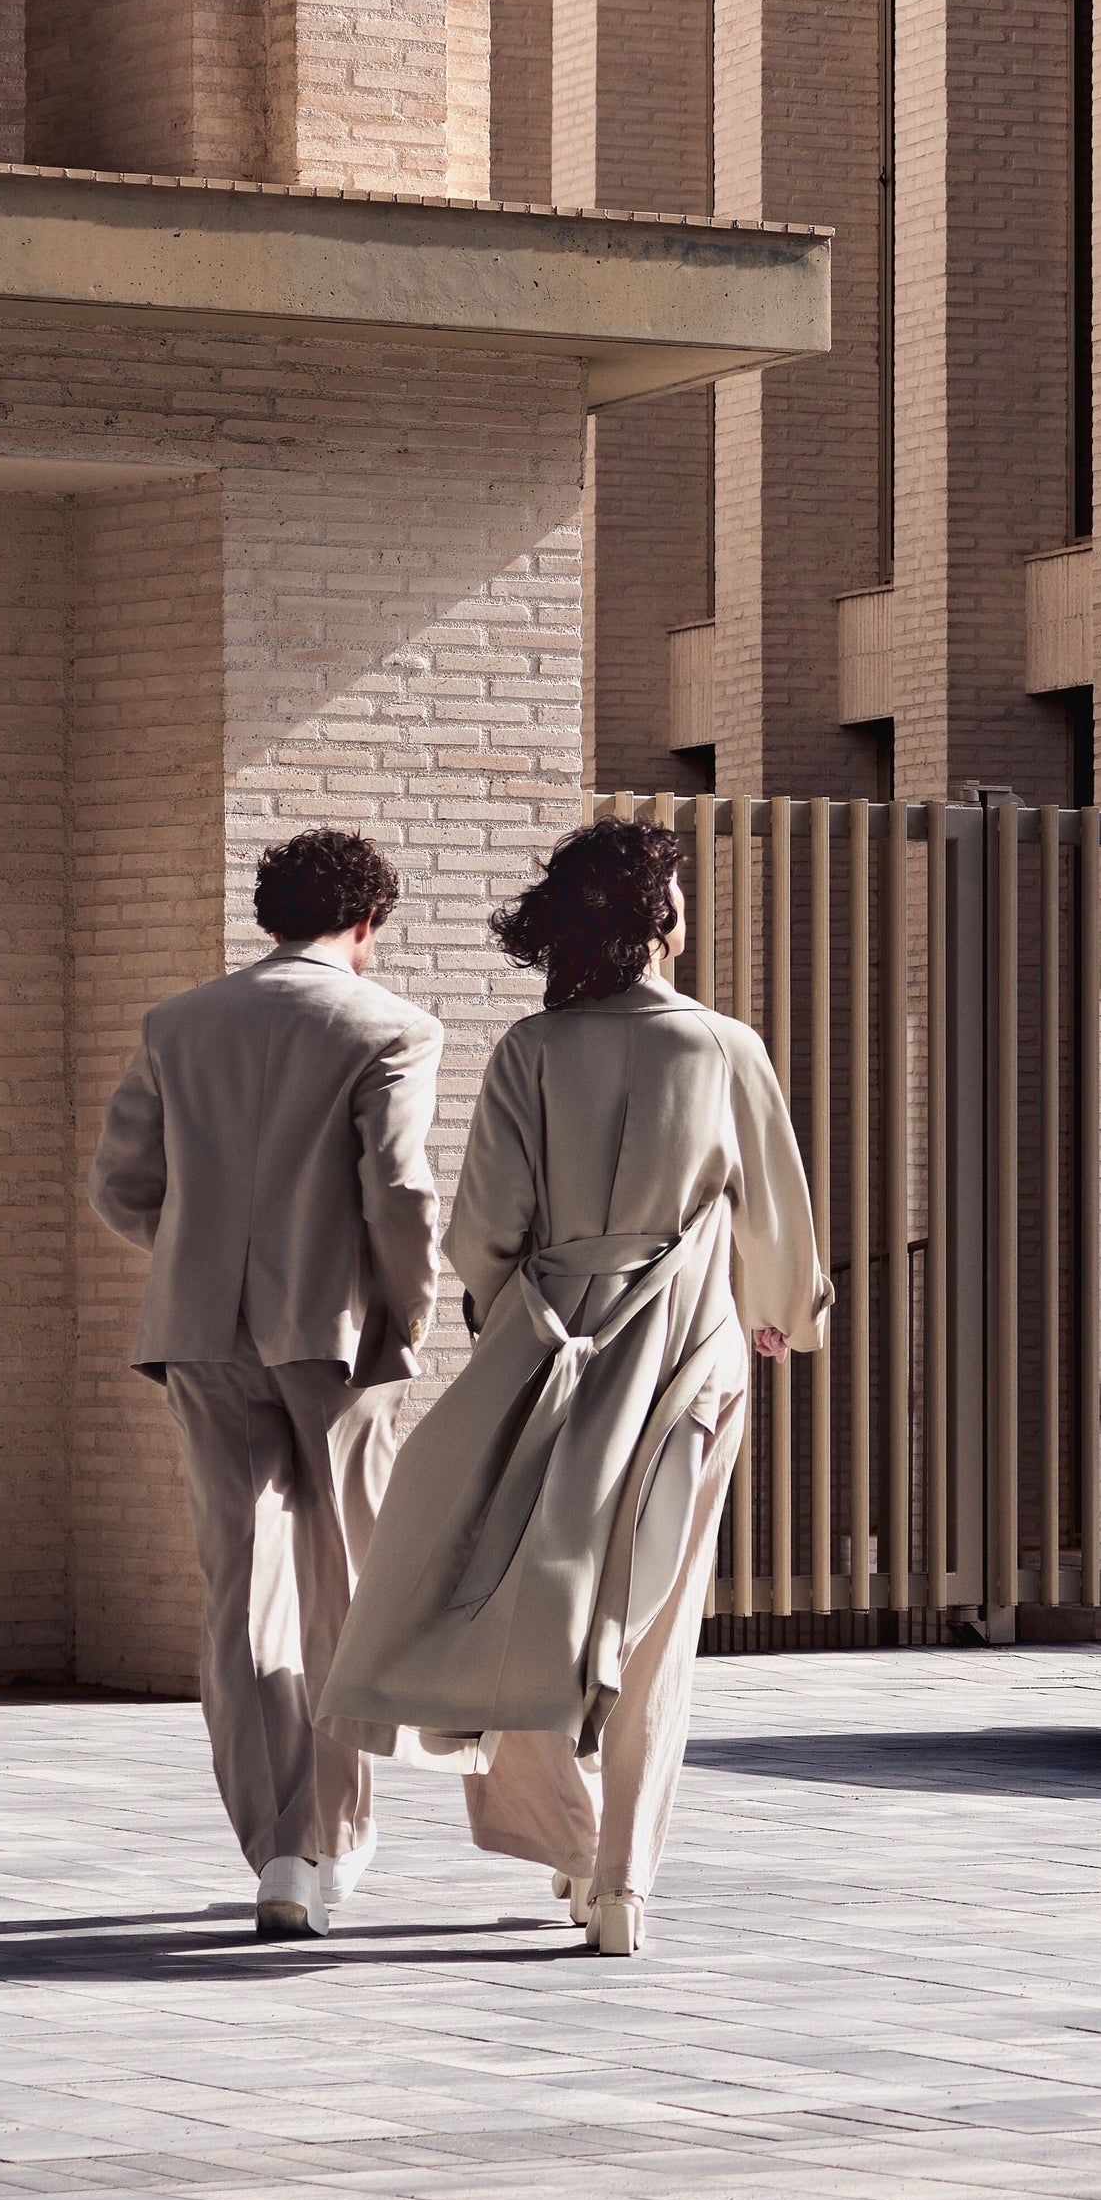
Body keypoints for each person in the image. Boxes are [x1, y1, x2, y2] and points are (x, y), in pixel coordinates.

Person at [319, 820, 823, 1956]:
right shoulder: (726, 1047)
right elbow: (776, 1221)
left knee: (532, 1604)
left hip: (549, 1345)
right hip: (690, 1353)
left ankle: (573, 1840)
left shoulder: (532, 1050)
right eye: (678, 890)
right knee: (658, 1624)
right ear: (655, 912)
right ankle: (625, 1885)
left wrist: (516, 1327)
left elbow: (485, 1232)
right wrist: (780, 1313)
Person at [90, 828, 446, 1941]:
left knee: (241, 1589)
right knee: (351, 1586)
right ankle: (327, 1837)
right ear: (369, 922)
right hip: (335, 1339)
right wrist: (410, 1307)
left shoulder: (176, 1023)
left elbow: (121, 1185)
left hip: (198, 1332)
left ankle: (277, 1848)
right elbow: (398, 1186)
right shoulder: (390, 1025)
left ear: (269, 913)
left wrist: (195, 1251)